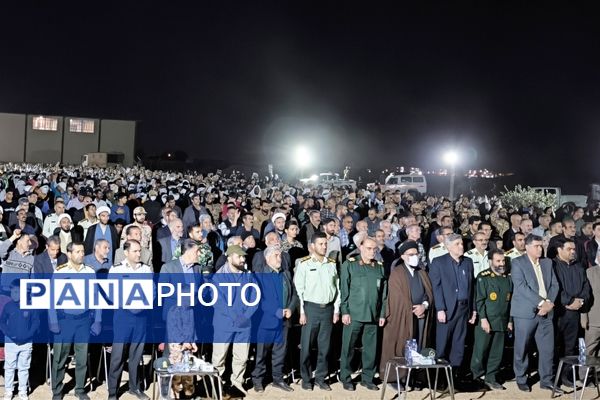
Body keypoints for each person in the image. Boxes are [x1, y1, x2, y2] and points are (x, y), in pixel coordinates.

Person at [50, 242, 101, 400]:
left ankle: (79, 389)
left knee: (82, 358)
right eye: (77, 251)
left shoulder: (90, 272)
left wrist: (97, 320)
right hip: (65, 320)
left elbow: (96, 298)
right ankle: (57, 391)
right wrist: (53, 321)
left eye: (82, 251)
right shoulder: (60, 272)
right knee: (60, 358)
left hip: (84, 320)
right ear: (69, 253)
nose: (81, 254)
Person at [511, 234, 561, 394]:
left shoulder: (547, 263)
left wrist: (549, 303)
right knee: (522, 348)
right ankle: (521, 378)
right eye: (537, 246)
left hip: (546, 311)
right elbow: (520, 286)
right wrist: (541, 303)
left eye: (541, 246)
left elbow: (554, 285)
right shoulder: (517, 262)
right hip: (526, 313)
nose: (540, 249)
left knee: (548, 349)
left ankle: (546, 380)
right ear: (527, 247)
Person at [380, 240, 432, 390]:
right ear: (403, 256)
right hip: (403, 317)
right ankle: (396, 378)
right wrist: (412, 309)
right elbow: (397, 298)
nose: (415, 257)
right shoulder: (397, 273)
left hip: (420, 317)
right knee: (401, 345)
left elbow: (428, 293)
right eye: (411, 254)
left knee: (418, 347)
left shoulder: (422, 272)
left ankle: (414, 377)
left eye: (416, 254)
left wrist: (424, 306)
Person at [294, 232, 340, 391]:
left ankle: (321, 378)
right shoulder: (304, 264)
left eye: (325, 244)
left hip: (327, 309)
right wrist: (301, 311)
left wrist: (336, 309)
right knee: (306, 347)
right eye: (320, 244)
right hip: (310, 309)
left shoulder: (332, 264)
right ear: (312, 246)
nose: (324, 246)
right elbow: (299, 290)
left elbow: (337, 289)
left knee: (325, 348)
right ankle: (306, 379)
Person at [339, 237, 386, 391]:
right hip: (354, 314)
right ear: (360, 247)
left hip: (372, 315)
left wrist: (382, 314)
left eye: (374, 249)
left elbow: (383, 294)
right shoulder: (350, 264)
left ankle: (368, 378)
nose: (372, 251)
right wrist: (344, 311)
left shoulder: (379, 267)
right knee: (348, 347)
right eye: (368, 248)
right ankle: (345, 377)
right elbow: (344, 290)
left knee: (371, 349)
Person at [107, 240, 152, 400]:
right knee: (118, 356)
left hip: (141, 317)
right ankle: (113, 392)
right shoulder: (117, 269)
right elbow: (111, 293)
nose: (139, 254)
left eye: (139, 251)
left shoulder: (146, 270)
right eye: (135, 251)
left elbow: (152, 292)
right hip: (123, 317)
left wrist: (142, 306)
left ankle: (135, 387)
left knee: (136, 355)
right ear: (126, 252)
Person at [429, 233, 476, 379]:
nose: (461, 246)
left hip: (463, 309)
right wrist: (440, 308)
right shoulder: (438, 262)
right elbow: (436, 287)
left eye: (461, 243)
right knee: (442, 343)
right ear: (448, 246)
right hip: (447, 310)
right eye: (457, 244)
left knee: (459, 343)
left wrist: (473, 309)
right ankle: (439, 377)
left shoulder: (468, 262)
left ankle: (454, 375)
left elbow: (472, 288)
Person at [251, 245, 297, 393]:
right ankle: (258, 380)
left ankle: (278, 379)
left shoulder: (286, 274)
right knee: (261, 353)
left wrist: (290, 308)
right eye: (276, 256)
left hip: (284, 320)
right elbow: (259, 299)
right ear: (267, 258)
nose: (280, 258)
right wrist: (275, 311)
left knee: (280, 352)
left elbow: (294, 294)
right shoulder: (259, 275)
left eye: (280, 255)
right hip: (266, 321)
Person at [212, 245, 256, 396]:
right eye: (239, 256)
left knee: (242, 357)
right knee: (219, 358)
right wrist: (234, 317)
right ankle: (217, 385)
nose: (243, 259)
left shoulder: (248, 275)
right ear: (229, 257)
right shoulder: (218, 277)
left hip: (244, 323)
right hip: (224, 323)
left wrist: (246, 316)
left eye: (244, 257)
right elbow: (218, 301)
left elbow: (254, 297)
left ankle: (237, 383)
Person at [470, 249, 513, 390]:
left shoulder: (508, 278)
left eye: (503, 261)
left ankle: (491, 377)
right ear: (490, 261)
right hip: (486, 320)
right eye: (498, 261)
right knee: (480, 350)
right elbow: (479, 300)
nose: (501, 264)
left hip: (502, 320)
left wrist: (510, 320)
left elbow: (510, 301)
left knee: (497, 352)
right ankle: (476, 376)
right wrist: (483, 319)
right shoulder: (484, 277)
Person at [553, 238, 590, 385]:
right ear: (559, 250)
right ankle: (553, 376)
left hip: (574, 314)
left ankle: (566, 376)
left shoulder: (579, 266)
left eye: (574, 249)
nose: (573, 251)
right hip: (559, 313)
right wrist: (568, 301)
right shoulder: (552, 266)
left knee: (570, 347)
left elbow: (586, 287)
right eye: (569, 249)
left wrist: (580, 301)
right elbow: (554, 288)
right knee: (554, 346)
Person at [1, 279, 39, 400]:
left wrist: (28, 335)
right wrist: (8, 334)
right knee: (9, 367)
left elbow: (36, 322)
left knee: (23, 367)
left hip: (26, 343)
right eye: (12, 292)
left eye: (17, 292)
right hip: (11, 342)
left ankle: (22, 390)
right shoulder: (8, 306)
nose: (14, 294)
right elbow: (2, 322)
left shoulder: (31, 306)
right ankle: (8, 391)